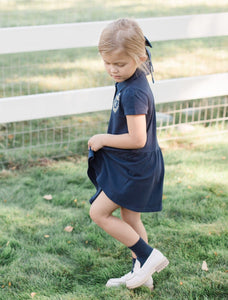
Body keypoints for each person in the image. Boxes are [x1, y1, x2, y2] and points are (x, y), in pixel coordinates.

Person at [87, 18, 169, 290]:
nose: (112, 69)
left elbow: (136, 138)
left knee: (98, 213)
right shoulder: (130, 79)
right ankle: (142, 273)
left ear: (139, 56)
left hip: (135, 168)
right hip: (138, 165)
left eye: (119, 64)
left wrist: (102, 139)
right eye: (107, 63)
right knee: (131, 219)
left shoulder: (133, 91)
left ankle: (147, 256)